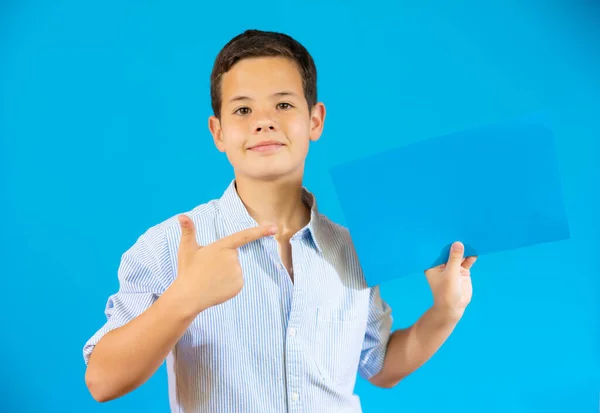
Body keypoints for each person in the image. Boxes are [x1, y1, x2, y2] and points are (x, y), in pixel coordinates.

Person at [83, 29, 477, 413]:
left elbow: (380, 365)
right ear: (217, 132)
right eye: (242, 109)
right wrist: (184, 298)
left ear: (315, 121)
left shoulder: (353, 249)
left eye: (284, 105)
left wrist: (445, 311)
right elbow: (102, 381)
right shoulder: (172, 244)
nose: (264, 121)